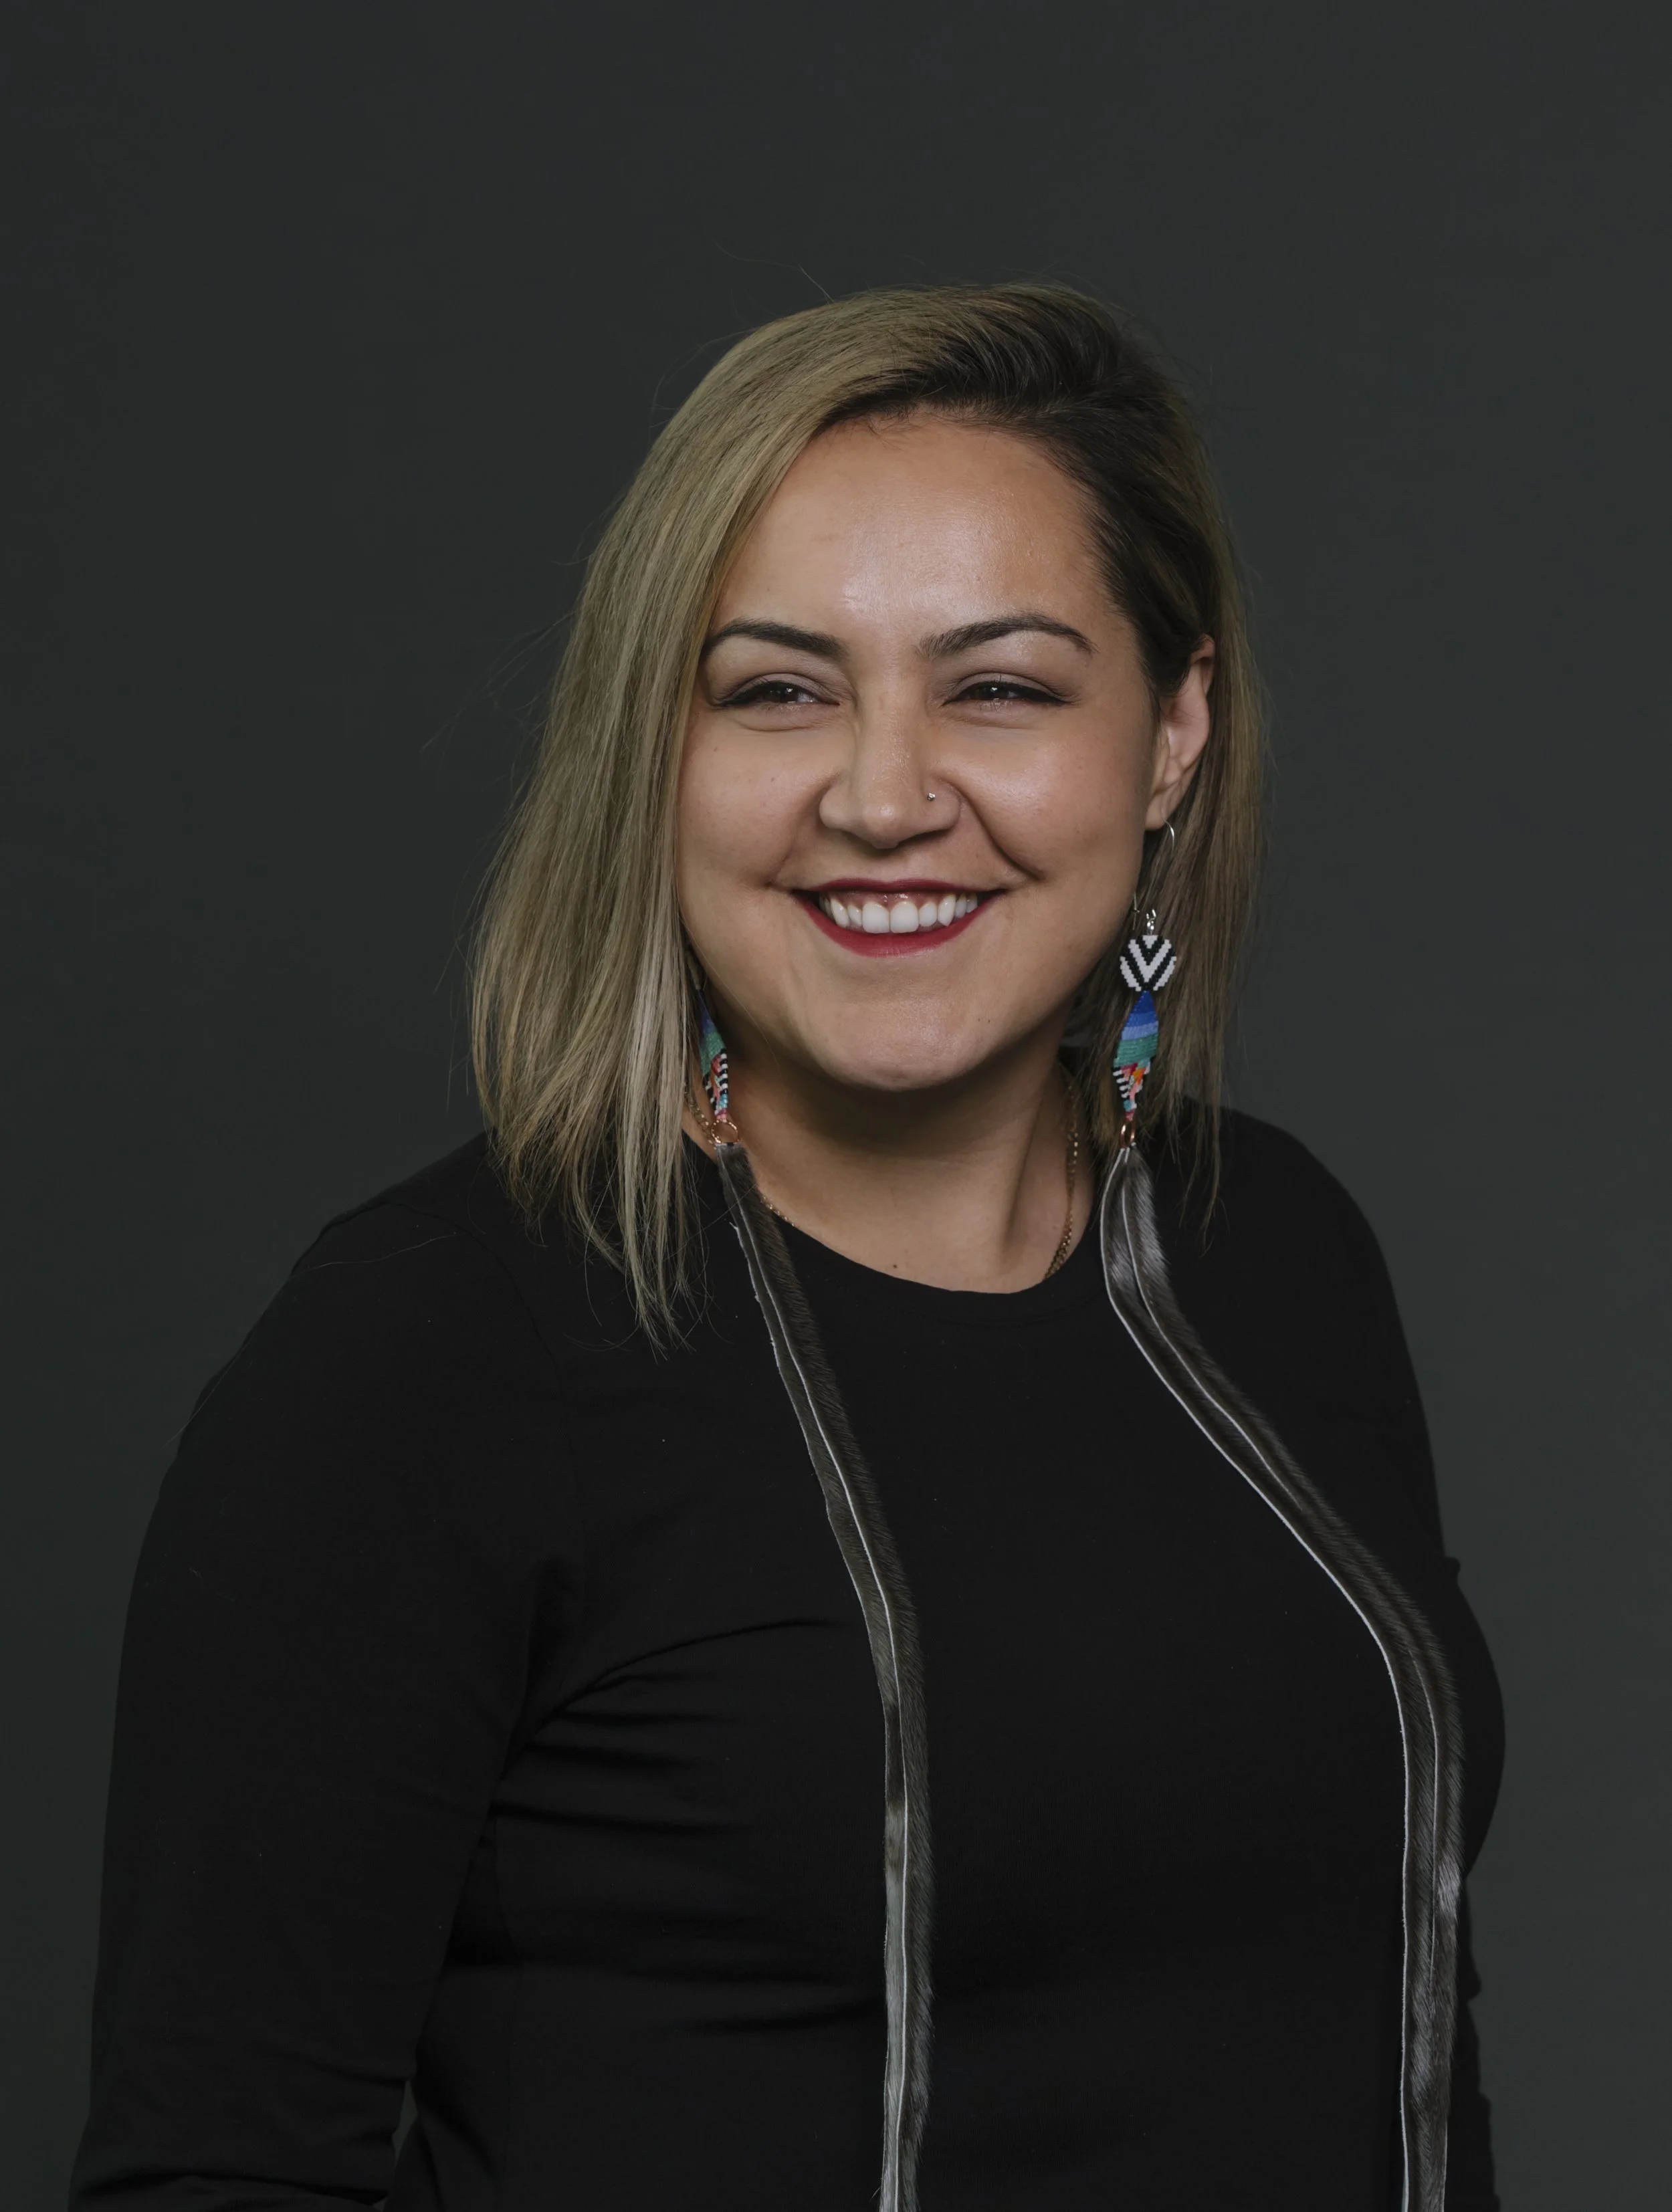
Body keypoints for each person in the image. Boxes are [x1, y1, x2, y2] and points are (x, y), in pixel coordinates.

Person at [69, 284, 1503, 2212]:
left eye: (997, 686)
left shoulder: (1276, 1254)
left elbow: (1394, 2033)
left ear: (1171, 732)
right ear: (651, 752)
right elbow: (215, 2167)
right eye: (774, 688)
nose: (883, 794)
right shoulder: (431, 1349)